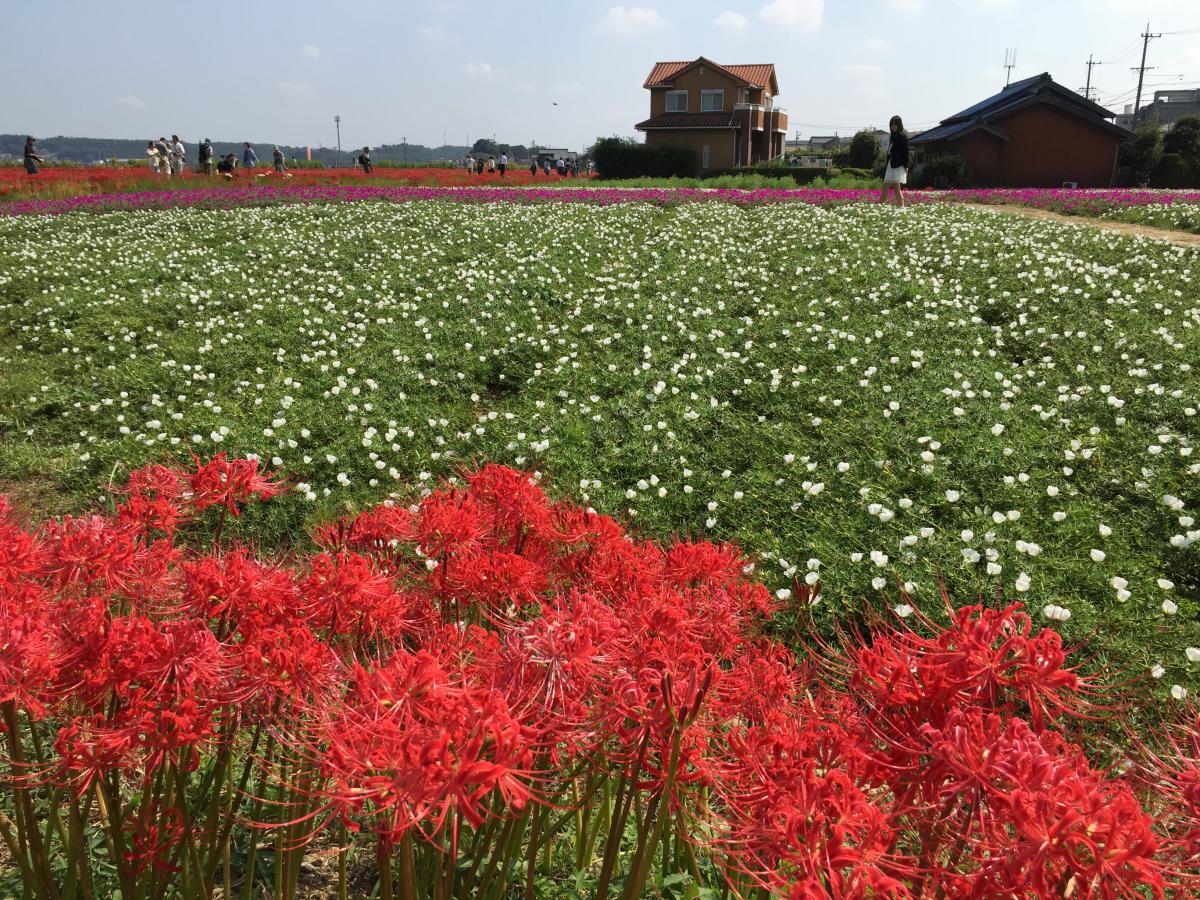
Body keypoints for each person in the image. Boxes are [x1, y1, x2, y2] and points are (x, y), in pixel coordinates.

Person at [881, 115, 909, 208]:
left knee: (885, 186)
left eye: (895, 124)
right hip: (891, 164)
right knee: (896, 187)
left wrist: (906, 166)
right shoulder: (893, 136)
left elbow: (905, 153)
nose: (893, 126)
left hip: (897, 165)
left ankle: (880, 206)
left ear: (899, 125)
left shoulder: (902, 136)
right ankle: (901, 206)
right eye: (891, 125)